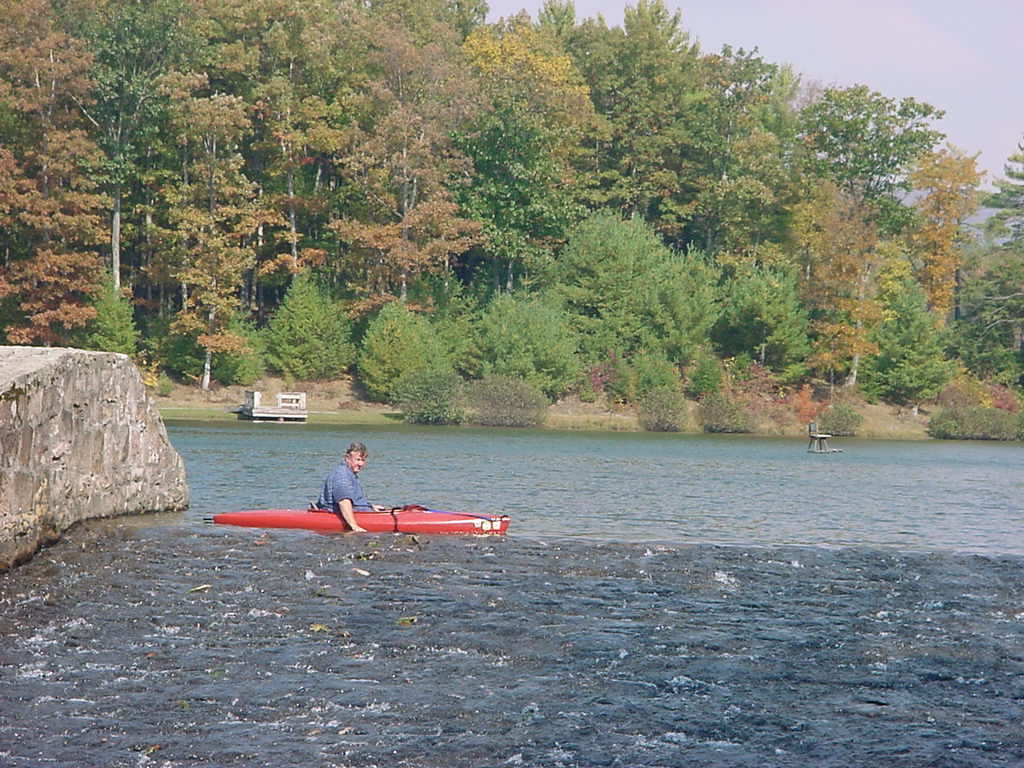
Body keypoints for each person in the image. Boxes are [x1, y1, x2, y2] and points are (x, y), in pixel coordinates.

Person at [315, 441, 385, 532]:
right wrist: (354, 526)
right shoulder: (342, 475)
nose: (361, 464)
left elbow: (353, 500)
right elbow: (344, 502)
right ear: (347, 458)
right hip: (335, 514)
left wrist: (370, 507)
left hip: (360, 511)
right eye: (358, 459)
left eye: (363, 460)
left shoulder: (350, 472)